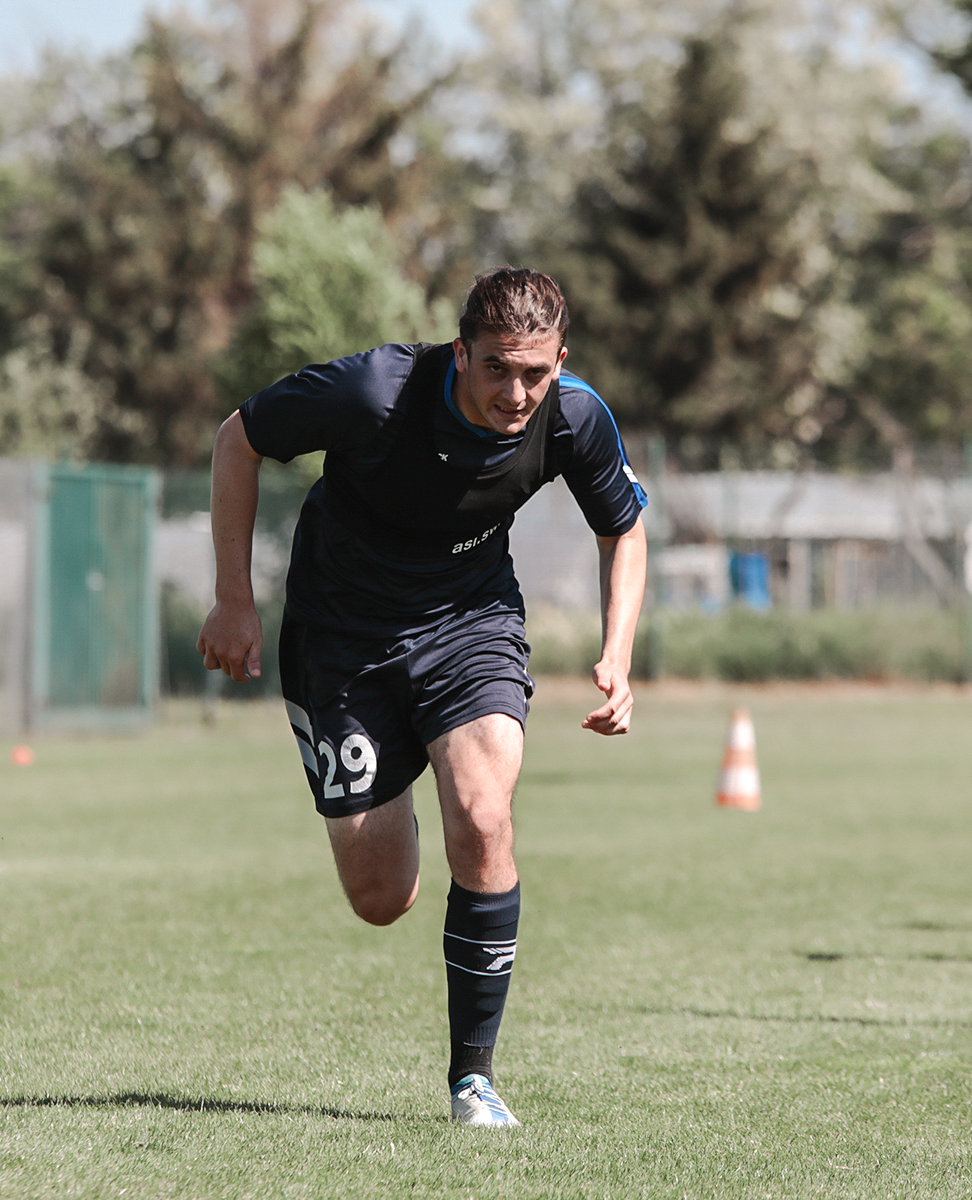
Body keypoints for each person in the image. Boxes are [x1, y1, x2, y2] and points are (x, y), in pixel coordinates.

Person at [196, 267, 649, 1125]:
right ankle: (389, 763)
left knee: (482, 815)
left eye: (536, 373)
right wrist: (233, 597)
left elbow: (622, 528)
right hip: (342, 636)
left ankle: (473, 1081)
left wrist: (617, 655)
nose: (517, 393)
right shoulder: (374, 393)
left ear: (561, 360)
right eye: (497, 370)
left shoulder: (575, 415)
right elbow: (238, 438)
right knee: (382, 898)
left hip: (467, 623)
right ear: (460, 353)